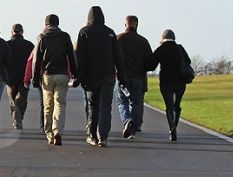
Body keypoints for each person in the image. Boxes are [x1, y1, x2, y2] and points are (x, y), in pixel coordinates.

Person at [75, 6, 124, 147]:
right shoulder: (110, 33)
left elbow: (81, 56)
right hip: (108, 74)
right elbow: (118, 56)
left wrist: (80, 76)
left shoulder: (84, 32)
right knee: (105, 106)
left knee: (93, 106)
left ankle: (92, 135)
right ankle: (103, 136)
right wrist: (121, 75)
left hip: (91, 76)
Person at [33, 14, 78, 145]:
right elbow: (71, 56)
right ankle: (57, 130)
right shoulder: (65, 37)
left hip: (47, 76)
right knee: (60, 103)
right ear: (58, 23)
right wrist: (75, 74)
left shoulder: (42, 37)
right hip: (62, 75)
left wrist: (35, 78)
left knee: (48, 106)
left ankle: (49, 134)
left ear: (46, 24)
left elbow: (37, 60)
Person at [116, 16, 155, 139]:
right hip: (138, 77)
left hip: (122, 76)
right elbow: (150, 62)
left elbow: (113, 57)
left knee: (122, 101)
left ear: (125, 24)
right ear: (137, 25)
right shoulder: (143, 41)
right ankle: (133, 127)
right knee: (136, 103)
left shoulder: (118, 39)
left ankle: (127, 120)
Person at [150, 30, 191, 141]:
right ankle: (174, 127)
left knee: (169, 106)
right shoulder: (180, 48)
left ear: (162, 38)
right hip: (180, 81)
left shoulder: (161, 49)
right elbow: (188, 61)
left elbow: (152, 65)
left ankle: (172, 129)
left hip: (166, 82)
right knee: (177, 105)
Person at [6, 24, 35, 130]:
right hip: (24, 77)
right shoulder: (29, 45)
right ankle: (18, 119)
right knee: (22, 100)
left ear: (12, 32)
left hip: (10, 79)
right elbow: (33, 62)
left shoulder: (7, 45)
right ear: (22, 32)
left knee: (13, 101)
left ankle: (16, 119)